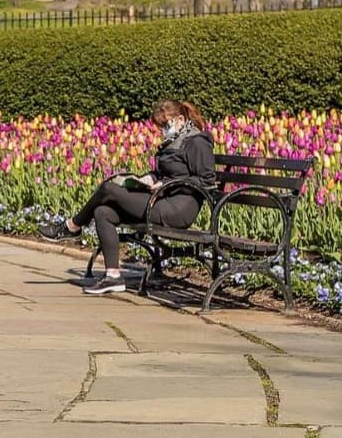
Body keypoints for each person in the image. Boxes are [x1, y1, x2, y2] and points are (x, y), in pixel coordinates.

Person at [38, 99, 216, 295]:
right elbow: (168, 172)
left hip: (179, 208)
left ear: (180, 119)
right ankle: (113, 277)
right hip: (161, 200)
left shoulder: (197, 141)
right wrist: (148, 178)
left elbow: (206, 182)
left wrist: (164, 184)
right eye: (160, 127)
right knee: (103, 212)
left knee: (109, 189)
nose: (163, 130)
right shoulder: (174, 141)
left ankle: (72, 226)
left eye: (165, 125)